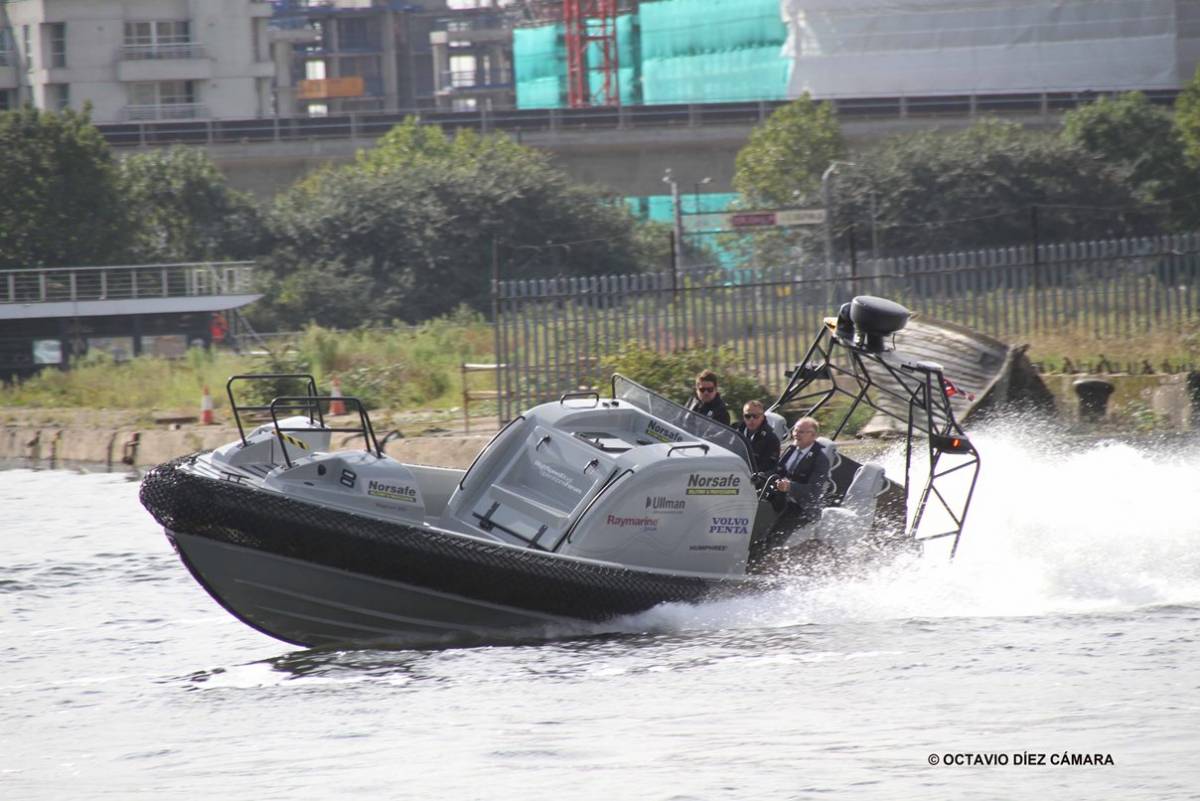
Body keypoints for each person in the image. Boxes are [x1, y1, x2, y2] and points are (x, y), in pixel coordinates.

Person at [771, 416, 831, 528]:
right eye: (795, 430)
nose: (796, 434)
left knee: (774, 533)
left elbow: (814, 491)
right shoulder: (791, 449)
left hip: (802, 508)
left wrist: (790, 487)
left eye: (802, 432)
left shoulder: (821, 460)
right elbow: (777, 470)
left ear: (813, 436)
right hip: (781, 499)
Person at [735, 399, 780, 474]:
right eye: (747, 416)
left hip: (755, 479)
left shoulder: (771, 439)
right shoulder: (736, 433)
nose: (751, 420)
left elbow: (770, 467)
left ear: (762, 417)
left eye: (755, 416)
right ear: (743, 417)